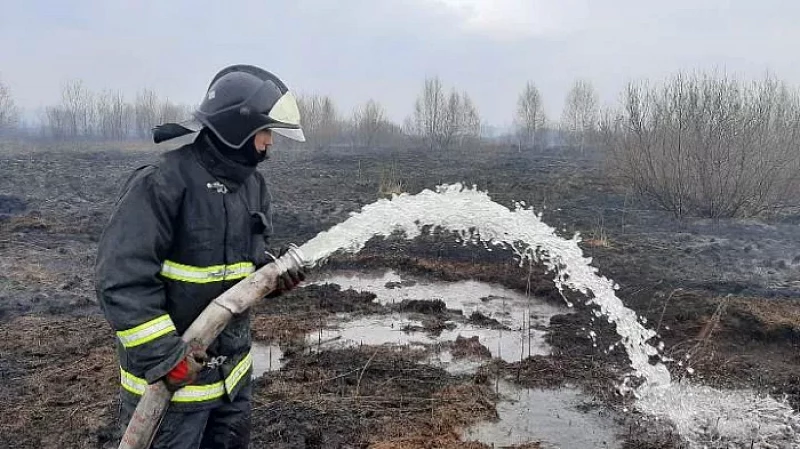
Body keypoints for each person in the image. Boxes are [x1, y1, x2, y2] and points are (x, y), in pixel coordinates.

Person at [95, 64, 307, 448]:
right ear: (237, 128)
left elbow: (241, 271)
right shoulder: (162, 184)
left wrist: (271, 280)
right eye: (266, 131)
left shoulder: (253, 187)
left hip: (231, 391)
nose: (270, 142)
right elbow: (121, 280)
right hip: (171, 396)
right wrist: (164, 357)